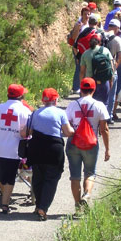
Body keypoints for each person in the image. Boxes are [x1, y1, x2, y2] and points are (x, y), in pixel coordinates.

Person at [22, 88, 74, 220]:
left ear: (42, 100)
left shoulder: (35, 113)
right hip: (53, 149)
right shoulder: (60, 113)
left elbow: (29, 131)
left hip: (36, 149)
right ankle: (42, 208)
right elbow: (68, 132)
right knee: (51, 179)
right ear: (56, 100)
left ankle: (38, 205)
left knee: (38, 177)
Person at [65, 77, 110, 209]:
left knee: (75, 176)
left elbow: (66, 125)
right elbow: (104, 129)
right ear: (94, 89)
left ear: (81, 90)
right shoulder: (99, 105)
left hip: (74, 143)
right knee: (90, 173)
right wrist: (107, 149)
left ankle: (78, 205)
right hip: (91, 143)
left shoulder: (72, 105)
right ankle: (87, 194)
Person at [0, 84, 32, 213]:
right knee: (10, 177)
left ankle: (4, 199)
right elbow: (27, 132)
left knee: (2, 175)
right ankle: (5, 204)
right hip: (14, 149)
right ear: (21, 96)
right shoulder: (25, 111)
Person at [79, 34, 113, 106]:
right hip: (104, 81)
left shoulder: (85, 54)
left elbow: (82, 72)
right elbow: (111, 68)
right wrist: (111, 82)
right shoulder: (105, 50)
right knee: (104, 104)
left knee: (90, 104)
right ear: (99, 42)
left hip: (90, 82)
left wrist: (81, 84)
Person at [68, 6, 91, 93]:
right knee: (79, 67)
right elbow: (73, 38)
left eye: (88, 14)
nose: (87, 16)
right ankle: (76, 87)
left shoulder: (89, 24)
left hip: (87, 48)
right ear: (82, 15)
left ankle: (84, 85)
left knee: (86, 67)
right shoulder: (78, 24)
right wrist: (77, 29)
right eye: (85, 14)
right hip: (77, 48)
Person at [105, 19, 121, 122]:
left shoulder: (101, 35)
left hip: (99, 70)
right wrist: (114, 67)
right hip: (111, 70)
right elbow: (120, 57)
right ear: (116, 28)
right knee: (112, 94)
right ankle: (108, 116)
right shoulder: (117, 39)